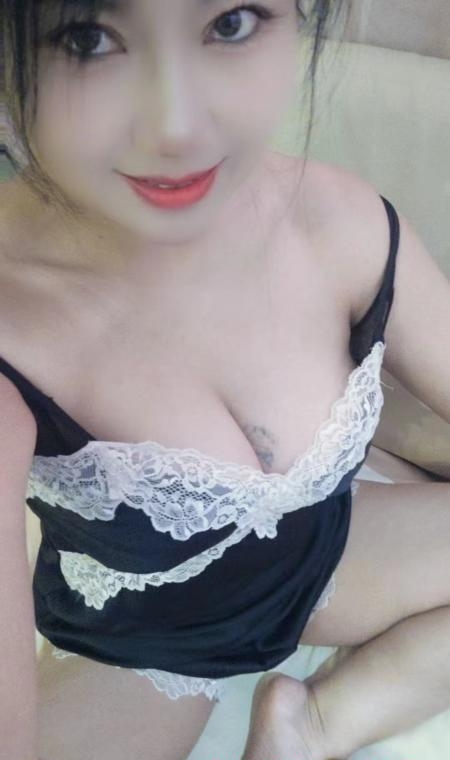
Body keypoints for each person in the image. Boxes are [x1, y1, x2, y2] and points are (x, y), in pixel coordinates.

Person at [1, 1, 450, 759]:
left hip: (325, 555)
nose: (177, 126)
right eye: (89, 39)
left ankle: (315, 724)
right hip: (143, 637)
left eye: (231, 23)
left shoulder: (340, 223)